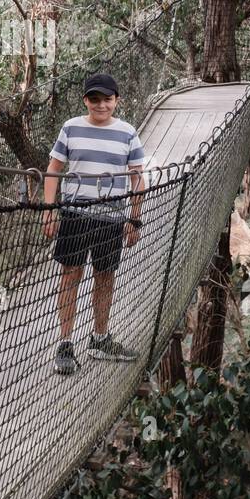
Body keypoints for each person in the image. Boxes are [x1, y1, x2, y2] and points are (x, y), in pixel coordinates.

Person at [43, 73, 146, 375]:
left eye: (108, 99)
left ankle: (99, 339)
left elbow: (138, 178)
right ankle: (65, 343)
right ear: (86, 100)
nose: (101, 105)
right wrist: (49, 210)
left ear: (117, 101)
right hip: (74, 215)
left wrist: (134, 219)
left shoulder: (128, 132)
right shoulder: (70, 128)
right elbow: (53, 168)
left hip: (111, 218)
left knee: (105, 277)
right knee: (70, 276)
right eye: (95, 99)